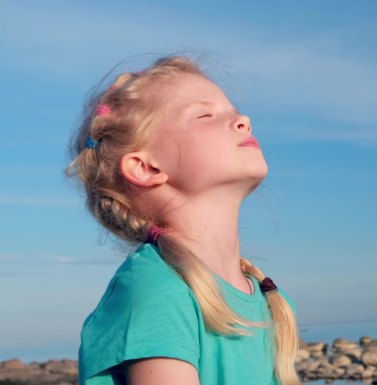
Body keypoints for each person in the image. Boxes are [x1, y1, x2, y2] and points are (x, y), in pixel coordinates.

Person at [66, 56, 300, 385]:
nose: (243, 120)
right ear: (146, 168)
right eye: (206, 114)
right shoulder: (157, 288)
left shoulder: (268, 297)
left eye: (234, 112)